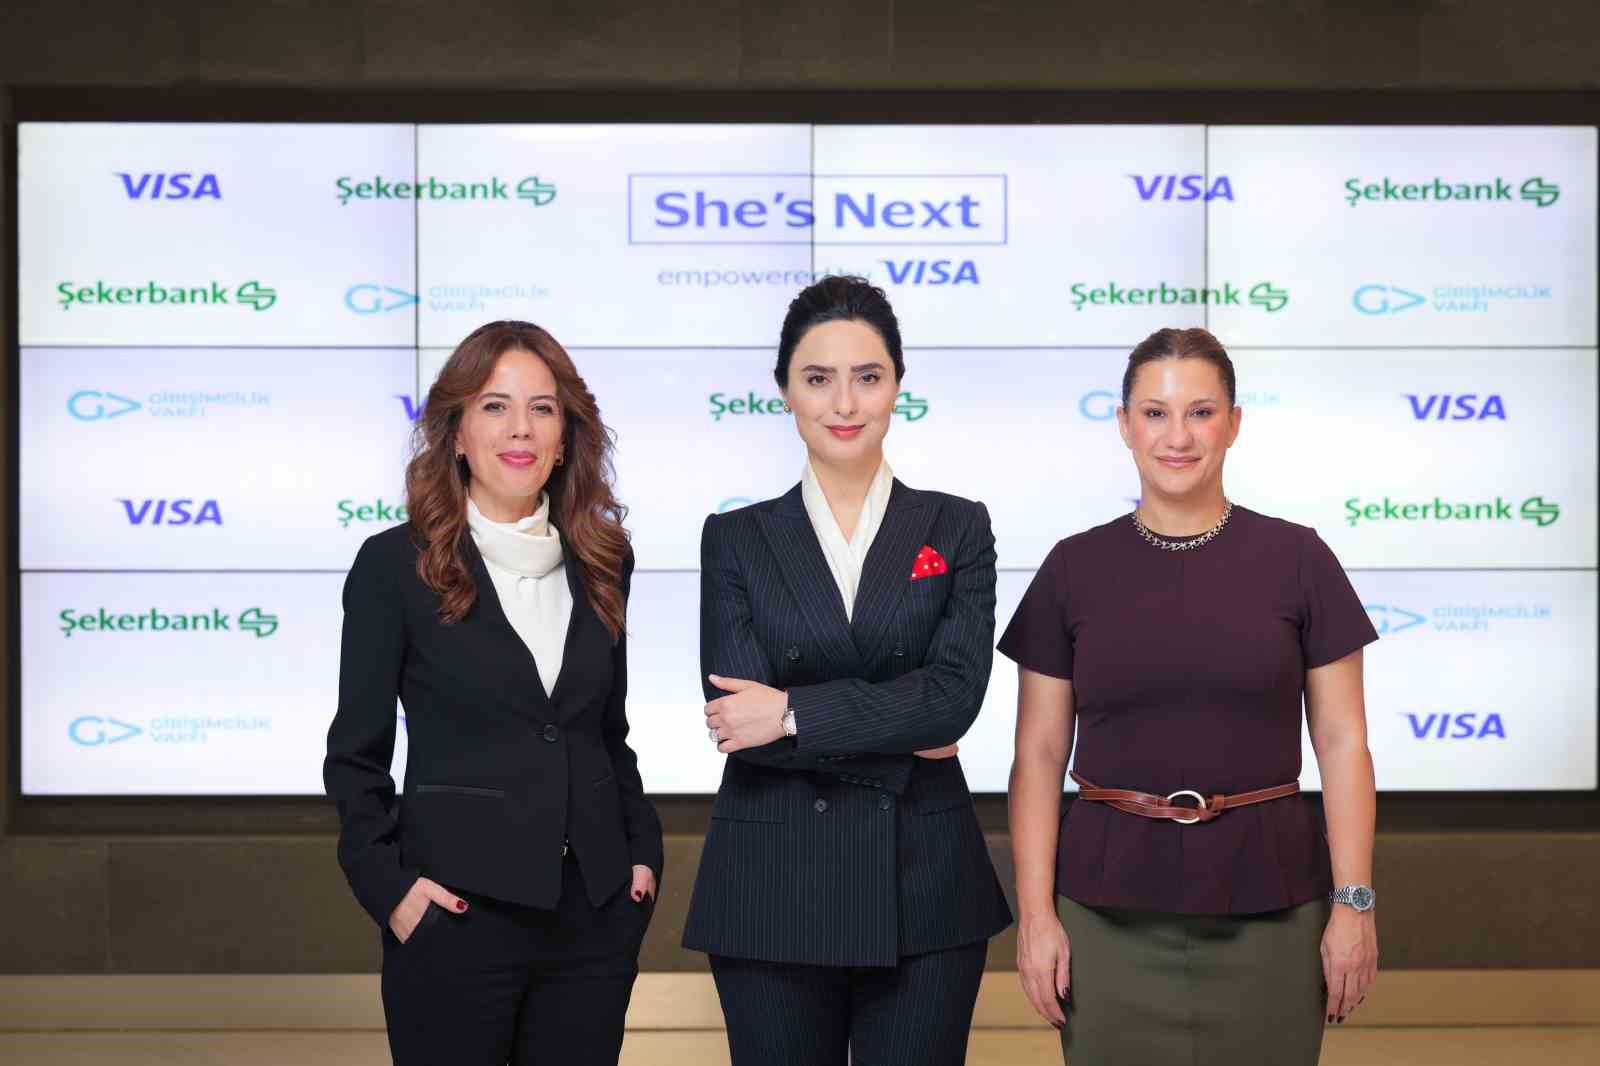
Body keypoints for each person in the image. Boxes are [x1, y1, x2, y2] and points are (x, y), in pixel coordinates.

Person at [1002, 327, 1379, 1066]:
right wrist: (1036, 916)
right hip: (1102, 915)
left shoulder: (1300, 558)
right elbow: (1038, 757)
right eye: (1155, 413)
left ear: (1234, 423)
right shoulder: (1072, 567)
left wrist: (1354, 903)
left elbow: (1343, 746)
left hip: (1274, 908)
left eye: (1201, 413)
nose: (1177, 437)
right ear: (1123, 424)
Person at [682, 276, 1013, 1066]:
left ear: (897, 385)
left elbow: (954, 700)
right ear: (784, 391)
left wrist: (793, 713)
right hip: (771, 886)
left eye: (867, 376)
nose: (844, 402)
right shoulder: (736, 538)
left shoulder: (957, 526)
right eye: (817, 378)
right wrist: (903, 726)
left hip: (924, 886)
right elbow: (738, 723)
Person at [324, 321, 663, 1066]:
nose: (520, 429)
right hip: (454, 918)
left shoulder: (605, 559)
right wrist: (391, 892)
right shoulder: (394, 566)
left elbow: (606, 732)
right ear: (456, 434)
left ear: (566, 438)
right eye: (494, 406)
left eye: (542, 408)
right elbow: (354, 756)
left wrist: (641, 857)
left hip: (594, 920)